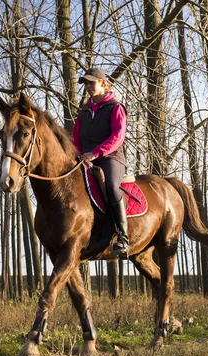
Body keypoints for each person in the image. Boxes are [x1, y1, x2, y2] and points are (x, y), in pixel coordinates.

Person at [73, 67, 129, 258]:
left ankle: (123, 237)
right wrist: (78, 154)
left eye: (91, 82)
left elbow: (117, 136)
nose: (88, 87)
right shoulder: (83, 113)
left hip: (111, 159)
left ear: (103, 83)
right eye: (86, 84)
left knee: (111, 187)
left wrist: (95, 153)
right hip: (85, 159)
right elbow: (76, 140)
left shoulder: (115, 108)